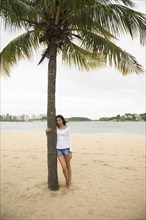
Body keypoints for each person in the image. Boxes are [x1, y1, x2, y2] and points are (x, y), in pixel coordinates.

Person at [46, 115, 72, 189]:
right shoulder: (56, 129)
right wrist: (46, 131)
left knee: (68, 166)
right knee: (64, 167)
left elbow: (70, 140)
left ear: (62, 120)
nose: (58, 122)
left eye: (59, 120)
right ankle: (67, 181)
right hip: (59, 150)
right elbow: (50, 136)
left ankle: (69, 183)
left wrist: (71, 151)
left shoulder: (67, 129)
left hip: (66, 149)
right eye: (57, 120)